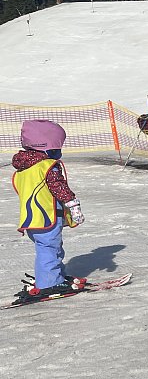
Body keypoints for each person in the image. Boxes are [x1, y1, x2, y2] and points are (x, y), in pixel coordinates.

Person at [11, 120, 87, 302]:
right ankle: (49, 283)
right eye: (56, 151)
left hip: (31, 219)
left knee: (50, 248)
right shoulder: (47, 166)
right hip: (46, 217)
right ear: (46, 149)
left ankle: (55, 276)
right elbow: (58, 187)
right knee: (49, 249)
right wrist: (72, 204)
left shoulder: (24, 169)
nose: (58, 155)